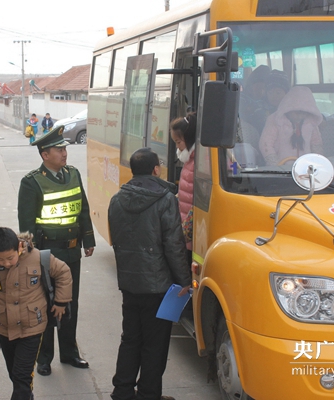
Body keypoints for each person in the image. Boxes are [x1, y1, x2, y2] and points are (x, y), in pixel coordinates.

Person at [107, 148, 192, 400]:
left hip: (129, 283)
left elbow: (118, 241)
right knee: (155, 345)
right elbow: (174, 245)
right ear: (156, 169)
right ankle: (148, 394)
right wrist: (184, 281)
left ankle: (122, 390)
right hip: (158, 286)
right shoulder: (166, 200)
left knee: (130, 338)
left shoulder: (117, 199)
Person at [17, 125, 96, 377]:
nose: (64, 153)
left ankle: (70, 353)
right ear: (45, 155)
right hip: (46, 254)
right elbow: (26, 224)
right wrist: (31, 254)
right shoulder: (31, 182)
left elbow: (82, 207)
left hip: (72, 252)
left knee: (70, 303)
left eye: (64, 149)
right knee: (46, 304)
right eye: (59, 149)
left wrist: (88, 239)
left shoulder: (73, 174)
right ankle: (44, 357)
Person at [0, 227, 73, 400]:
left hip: (32, 327)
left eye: (10, 258)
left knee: (21, 376)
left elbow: (63, 272)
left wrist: (60, 302)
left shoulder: (37, 257)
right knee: (15, 373)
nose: (5, 263)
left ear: (19, 247)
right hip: (4, 327)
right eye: (0, 259)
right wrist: (0, 299)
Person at [259, 86, 324, 166]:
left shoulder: (311, 122)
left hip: (305, 168)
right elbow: (266, 143)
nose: (300, 116)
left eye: (304, 112)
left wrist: (317, 162)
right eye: (296, 112)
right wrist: (275, 165)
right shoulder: (275, 120)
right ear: (288, 108)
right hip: (280, 168)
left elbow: (316, 143)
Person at [169, 112, 197, 254]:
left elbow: (233, 167)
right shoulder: (189, 160)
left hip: (193, 233)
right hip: (187, 231)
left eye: (178, 142)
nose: (178, 147)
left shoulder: (201, 162)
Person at [245, 69, 290, 134]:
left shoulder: (291, 110)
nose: (274, 96)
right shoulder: (258, 109)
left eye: (278, 93)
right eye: (270, 92)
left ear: (286, 93)